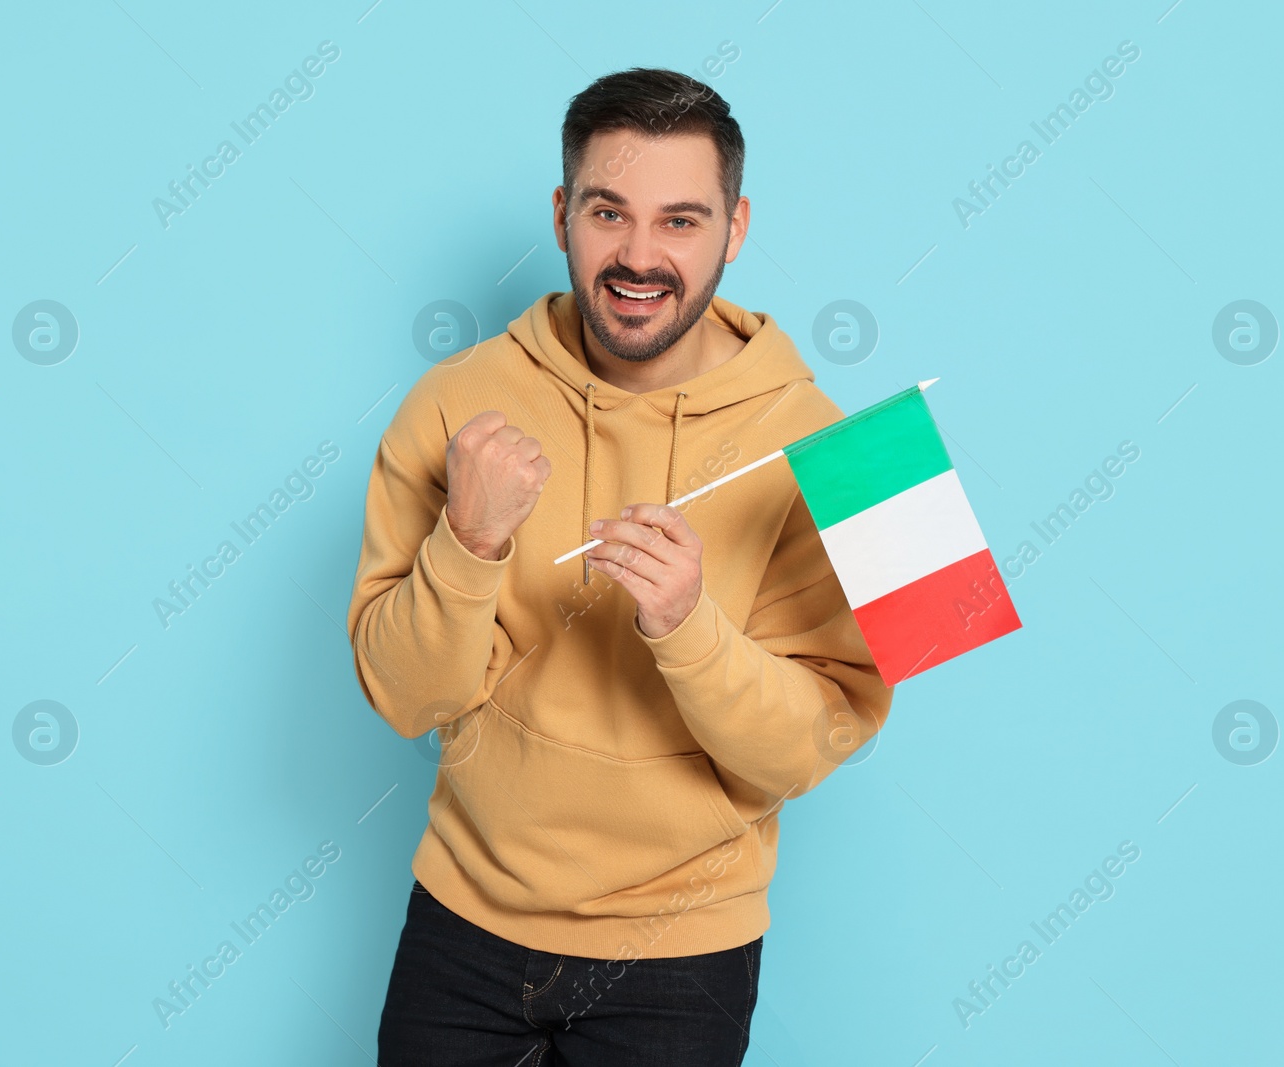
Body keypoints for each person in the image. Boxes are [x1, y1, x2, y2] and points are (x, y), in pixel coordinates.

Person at [347, 66, 894, 1066]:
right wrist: (466, 547)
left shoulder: (828, 449)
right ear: (562, 215)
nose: (638, 256)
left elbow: (808, 749)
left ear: (735, 227)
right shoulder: (457, 404)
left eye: (681, 221)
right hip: (462, 918)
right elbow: (400, 696)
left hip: (683, 953)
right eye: (609, 211)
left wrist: (690, 626)